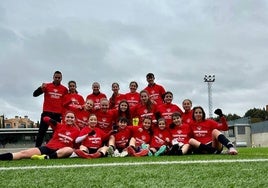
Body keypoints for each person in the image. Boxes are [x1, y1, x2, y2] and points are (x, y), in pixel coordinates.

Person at [0, 111, 80, 160]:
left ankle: (45, 157)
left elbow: (76, 146)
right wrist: (53, 122)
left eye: (72, 117)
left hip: (61, 151)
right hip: (48, 148)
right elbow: (45, 118)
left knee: (69, 149)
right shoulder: (58, 125)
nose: (70, 119)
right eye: (68, 117)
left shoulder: (77, 131)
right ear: (64, 118)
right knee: (23, 153)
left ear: (75, 119)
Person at [33, 71, 68, 147]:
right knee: (42, 131)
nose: (57, 79)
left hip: (57, 114)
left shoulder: (64, 89)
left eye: (59, 78)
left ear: (61, 78)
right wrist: (41, 88)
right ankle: (37, 148)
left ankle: (54, 148)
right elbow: (34, 94)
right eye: (56, 77)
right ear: (53, 77)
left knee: (56, 133)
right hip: (47, 113)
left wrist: (63, 115)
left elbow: (65, 103)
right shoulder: (47, 86)